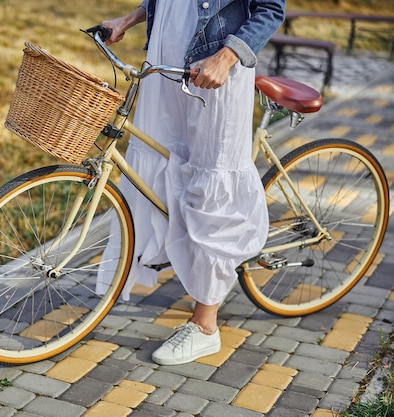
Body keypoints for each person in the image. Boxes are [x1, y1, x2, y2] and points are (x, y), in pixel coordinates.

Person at [98, 0, 285, 365]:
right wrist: (129, 19)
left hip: (215, 70)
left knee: (210, 181)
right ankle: (181, 262)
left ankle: (205, 326)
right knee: (161, 162)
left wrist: (226, 57)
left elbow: (270, 9)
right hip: (164, 65)